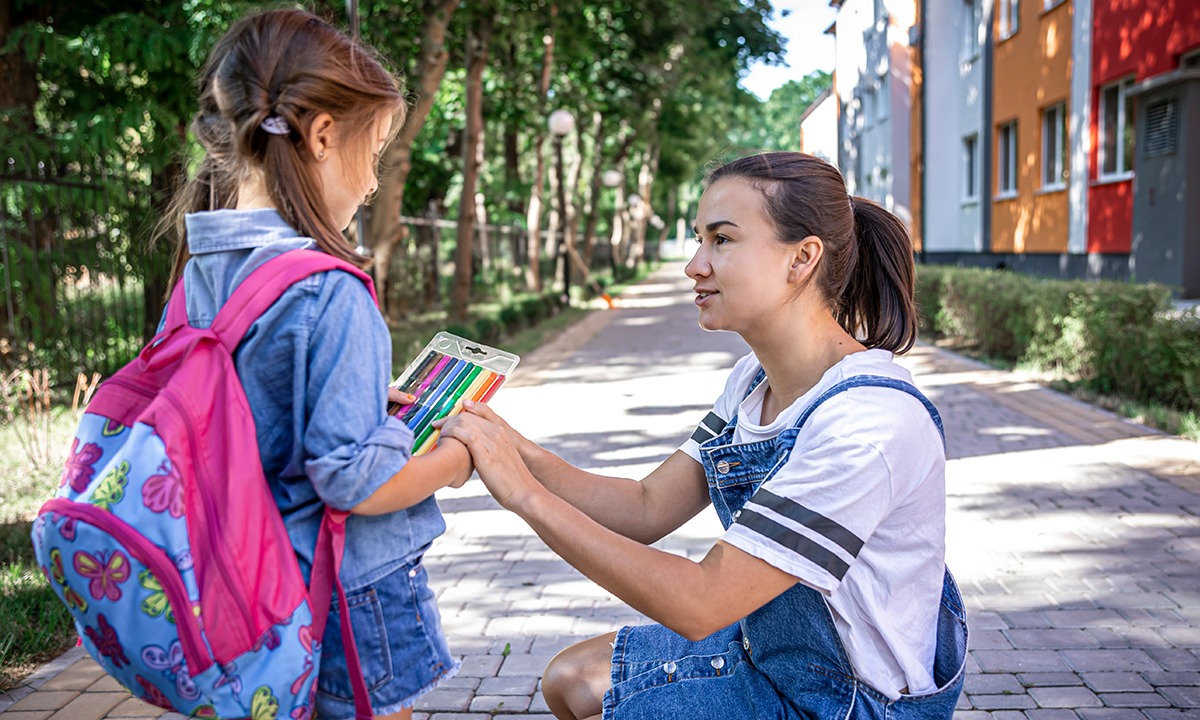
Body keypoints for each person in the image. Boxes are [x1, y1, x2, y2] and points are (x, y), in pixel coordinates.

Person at [437, 152, 967, 720]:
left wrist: (523, 494)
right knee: (570, 680)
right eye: (699, 238)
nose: (694, 264)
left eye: (721, 240)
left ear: (802, 259)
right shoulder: (753, 383)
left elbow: (701, 602)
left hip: (852, 701)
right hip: (769, 653)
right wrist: (508, 443)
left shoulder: (868, 422)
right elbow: (646, 507)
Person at [153, 9, 472, 719]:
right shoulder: (331, 290)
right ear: (324, 134)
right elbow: (354, 482)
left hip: (240, 585)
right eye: (377, 150)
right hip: (348, 599)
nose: (372, 179)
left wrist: (361, 404)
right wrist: (457, 458)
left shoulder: (196, 275)